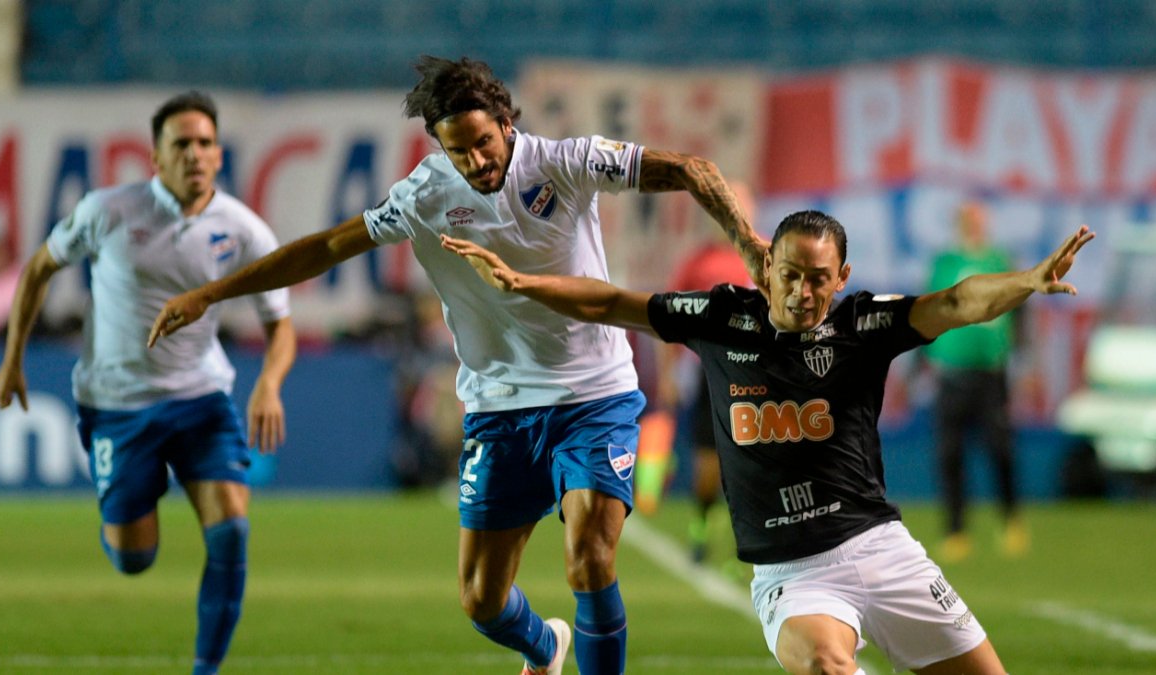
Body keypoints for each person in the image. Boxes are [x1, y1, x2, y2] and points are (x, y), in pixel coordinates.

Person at [147, 56, 765, 675]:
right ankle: (545, 649)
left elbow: (693, 170)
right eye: (459, 151)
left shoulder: (567, 162)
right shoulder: (423, 196)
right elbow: (328, 247)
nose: (477, 162)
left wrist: (747, 242)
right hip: (499, 407)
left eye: (484, 143)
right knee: (481, 601)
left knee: (590, 559)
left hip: (593, 397)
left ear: (506, 121)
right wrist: (210, 293)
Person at [440, 211, 1094, 675]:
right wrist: (525, 285)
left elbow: (958, 301)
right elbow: (611, 300)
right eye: (789, 273)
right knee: (827, 665)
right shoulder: (724, 318)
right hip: (795, 574)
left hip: (882, 549)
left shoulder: (864, 324)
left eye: (818, 278)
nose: (802, 291)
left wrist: (1027, 282)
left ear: (841, 276)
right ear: (767, 267)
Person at [0, 91, 296, 675]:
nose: (196, 154)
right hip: (117, 404)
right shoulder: (107, 210)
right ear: (154, 158)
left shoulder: (244, 230)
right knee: (135, 559)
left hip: (201, 398)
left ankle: (205, 668)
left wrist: (269, 383)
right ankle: (129, 503)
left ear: (219, 153)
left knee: (231, 530)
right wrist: (13, 359)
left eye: (205, 143)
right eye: (181, 143)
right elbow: (38, 268)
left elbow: (279, 326)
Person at [655, 179, 757, 563]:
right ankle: (701, 530)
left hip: (759, 374)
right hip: (713, 372)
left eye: (740, 205)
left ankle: (749, 537)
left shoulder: (768, 255)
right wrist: (667, 374)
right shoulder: (700, 261)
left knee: (754, 460)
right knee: (708, 460)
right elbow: (664, 316)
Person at [924, 201, 1026, 562]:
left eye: (980, 220)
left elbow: (1021, 309)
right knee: (950, 454)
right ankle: (955, 530)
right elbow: (927, 312)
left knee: (1000, 449)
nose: (975, 226)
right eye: (969, 220)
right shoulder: (945, 263)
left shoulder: (1000, 262)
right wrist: (920, 364)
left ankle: (1010, 519)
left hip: (991, 372)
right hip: (951, 371)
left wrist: (1025, 360)